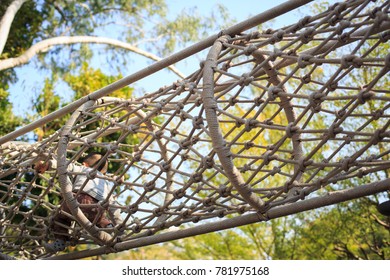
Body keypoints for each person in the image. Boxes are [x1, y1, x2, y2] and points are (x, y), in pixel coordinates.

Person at [35, 152, 123, 253]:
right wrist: (119, 225)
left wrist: (48, 165)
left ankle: (60, 241)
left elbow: (64, 166)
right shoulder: (105, 183)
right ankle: (108, 226)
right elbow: (113, 206)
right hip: (96, 208)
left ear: (84, 164)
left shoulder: (83, 169)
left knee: (59, 217)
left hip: (78, 200)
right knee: (100, 218)